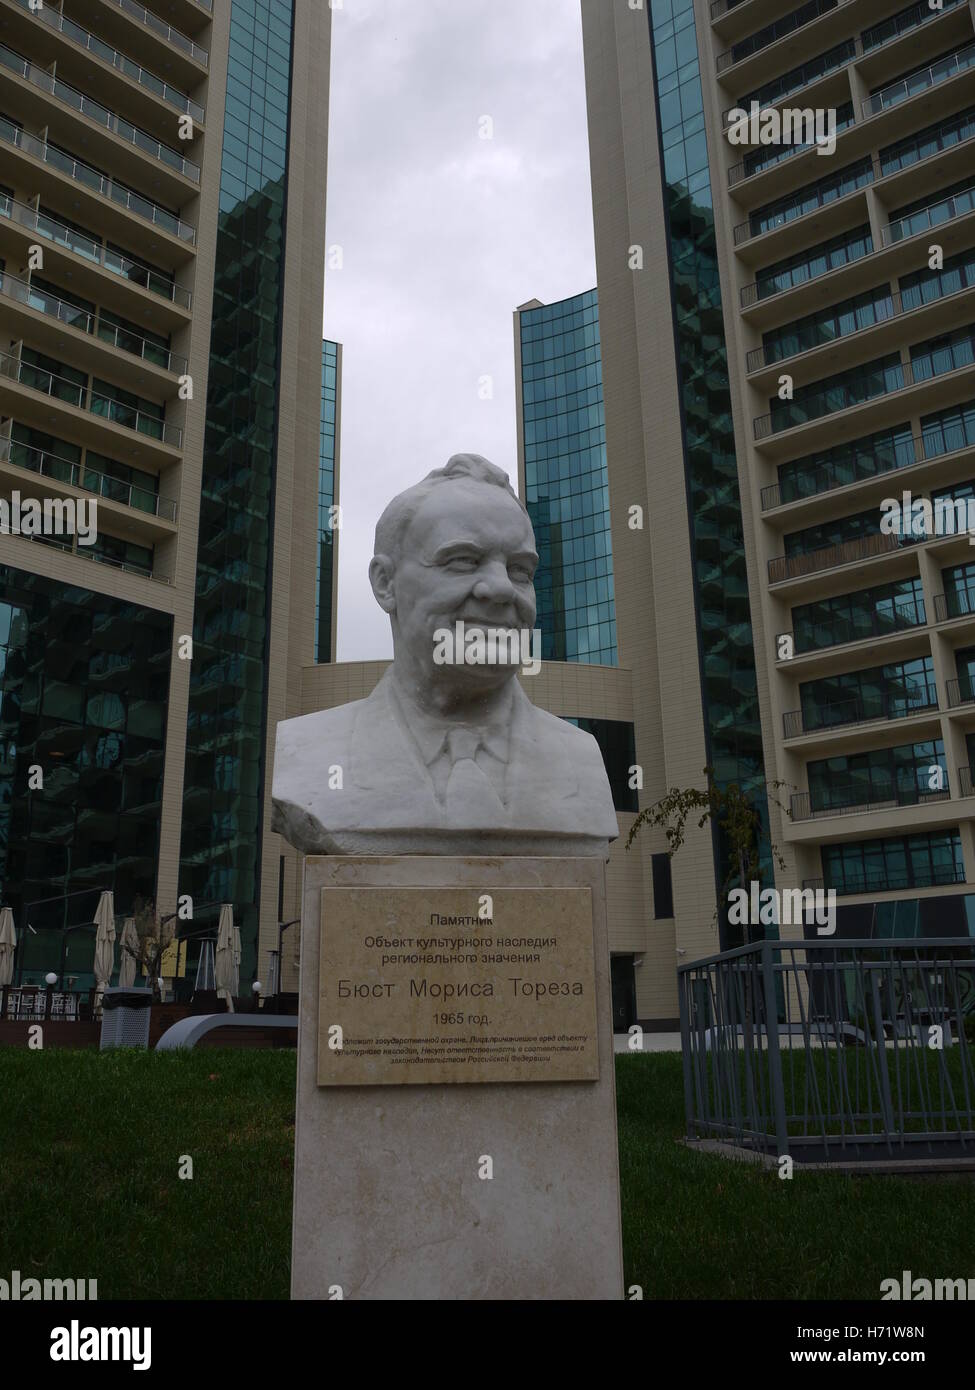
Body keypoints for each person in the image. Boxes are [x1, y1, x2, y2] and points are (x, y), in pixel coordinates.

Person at [271, 453, 618, 856]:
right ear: (386, 583)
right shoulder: (311, 753)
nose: (502, 589)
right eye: (462, 561)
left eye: (520, 570)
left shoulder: (581, 759)